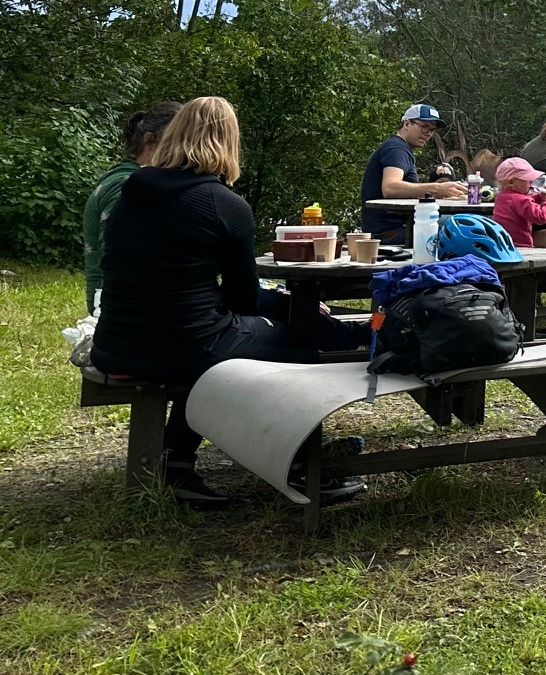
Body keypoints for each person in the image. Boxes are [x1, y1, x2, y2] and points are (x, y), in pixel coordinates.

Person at [91, 97, 366, 508]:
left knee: (214, 340)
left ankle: (177, 465)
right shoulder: (225, 204)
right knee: (297, 344)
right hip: (183, 345)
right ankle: (300, 467)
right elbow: (241, 299)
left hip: (116, 343)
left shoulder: (132, 193)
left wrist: (274, 300)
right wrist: (283, 304)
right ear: (229, 143)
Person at [80, 101, 182, 314]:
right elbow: (116, 259)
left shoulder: (127, 179)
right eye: (176, 146)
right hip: (118, 311)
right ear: (150, 142)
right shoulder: (127, 186)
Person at [359, 104, 468, 241]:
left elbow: (406, 193)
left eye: (431, 130)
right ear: (407, 124)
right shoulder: (397, 149)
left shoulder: (400, 147)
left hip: (396, 229)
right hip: (391, 233)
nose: (428, 133)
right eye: (424, 127)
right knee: (463, 225)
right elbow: (390, 187)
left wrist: (446, 194)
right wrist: (437, 188)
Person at [491, 156, 546, 248]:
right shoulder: (521, 200)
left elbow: (521, 205)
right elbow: (541, 217)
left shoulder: (501, 196)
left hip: (503, 244)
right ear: (511, 182)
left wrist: (539, 197)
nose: (531, 182)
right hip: (520, 246)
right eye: (528, 179)